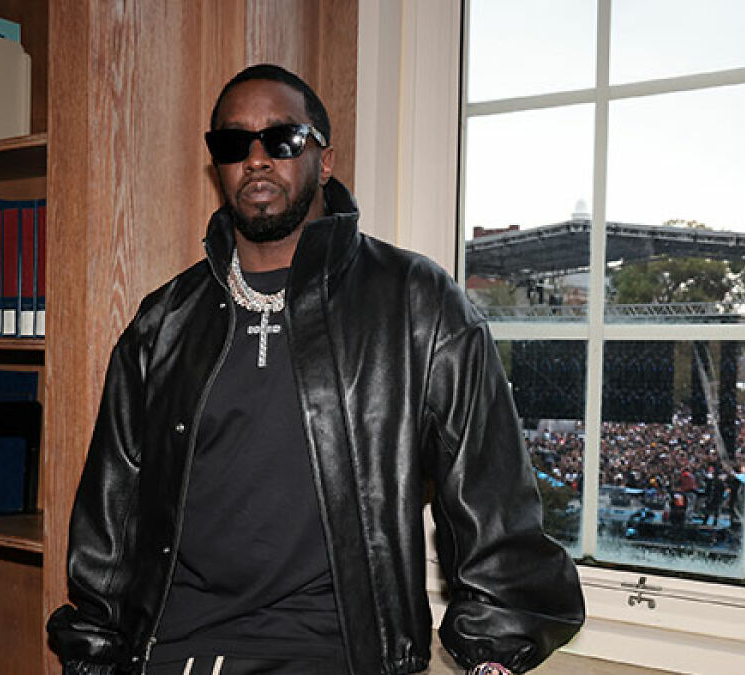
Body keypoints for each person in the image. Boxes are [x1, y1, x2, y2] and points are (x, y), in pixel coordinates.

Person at [46, 64, 584, 675]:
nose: (255, 159)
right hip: (176, 652)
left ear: (323, 161)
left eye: (281, 139)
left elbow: (494, 506)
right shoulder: (163, 323)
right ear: (216, 164)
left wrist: (494, 655)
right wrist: (91, 658)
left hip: (337, 655)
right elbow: (109, 525)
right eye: (232, 143)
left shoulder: (416, 302)